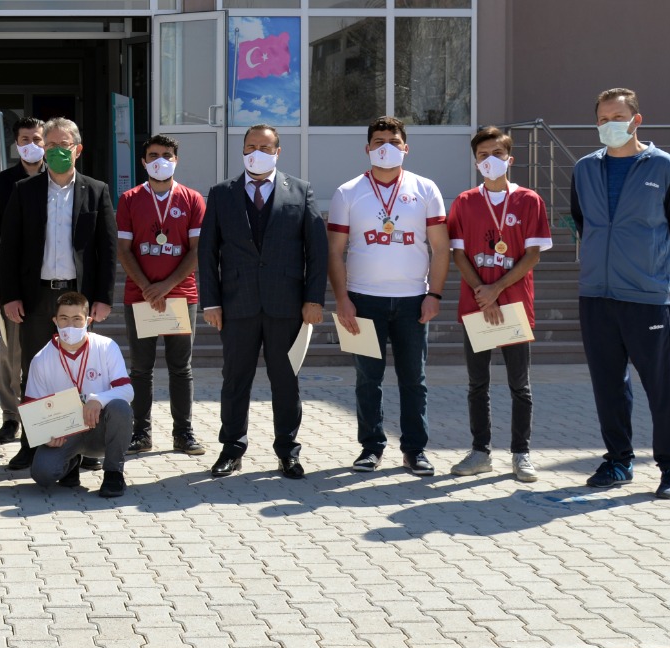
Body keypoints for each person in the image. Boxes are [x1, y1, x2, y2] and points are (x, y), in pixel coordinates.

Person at [571, 87, 670, 499]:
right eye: (603, 119)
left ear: (636, 120)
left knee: (660, 386)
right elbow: (583, 221)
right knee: (608, 385)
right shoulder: (585, 169)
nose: (610, 125)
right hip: (596, 295)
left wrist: (652, 264)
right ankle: (618, 461)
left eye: (618, 117)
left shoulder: (665, 168)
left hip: (645, 296)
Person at [199, 125, 326, 479]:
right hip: (236, 304)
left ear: (278, 152)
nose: (257, 152)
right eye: (251, 146)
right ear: (242, 150)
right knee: (234, 380)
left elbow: (316, 250)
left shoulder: (300, 191)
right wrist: (210, 302)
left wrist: (314, 299)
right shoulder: (221, 193)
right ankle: (232, 449)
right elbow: (207, 252)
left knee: (286, 382)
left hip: (286, 305)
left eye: (265, 147)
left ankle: (288, 451)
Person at [328, 116, 450, 477]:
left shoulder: (425, 188)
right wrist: (342, 299)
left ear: (405, 148)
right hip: (363, 300)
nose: (386, 148)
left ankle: (415, 450)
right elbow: (334, 251)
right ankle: (371, 447)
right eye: (379, 142)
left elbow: (440, 248)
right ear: (367, 148)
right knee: (368, 379)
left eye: (394, 142)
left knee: (414, 379)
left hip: (413, 300)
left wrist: (434, 294)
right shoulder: (347, 191)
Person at [0, 118, 117, 471]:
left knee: (82, 371)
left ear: (78, 150)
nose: (56, 152)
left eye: (63, 146)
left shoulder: (96, 190)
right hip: (36, 296)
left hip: (78, 297)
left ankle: (83, 446)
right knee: (34, 370)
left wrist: (103, 298)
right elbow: (9, 247)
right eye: (49, 146)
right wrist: (10, 295)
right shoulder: (25, 190)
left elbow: (108, 248)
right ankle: (32, 443)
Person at [448, 126, 553, 482]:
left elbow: (532, 255)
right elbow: (458, 255)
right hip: (477, 304)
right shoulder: (464, 202)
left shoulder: (529, 200)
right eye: (483, 155)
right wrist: (483, 292)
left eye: (497, 153)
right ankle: (480, 453)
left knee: (519, 385)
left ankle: (521, 454)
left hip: (513, 305)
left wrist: (496, 290)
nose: (489, 160)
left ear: (510, 159)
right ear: (475, 161)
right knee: (477, 384)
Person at [115, 135, 206, 456]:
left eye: (167, 155)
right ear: (143, 162)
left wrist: (164, 287)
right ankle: (141, 433)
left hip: (180, 296)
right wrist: (147, 287)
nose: (160, 161)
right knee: (141, 369)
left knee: (181, 368)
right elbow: (124, 250)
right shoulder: (129, 199)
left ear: (176, 160)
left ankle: (184, 433)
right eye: (153, 155)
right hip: (140, 296)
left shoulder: (193, 199)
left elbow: (197, 251)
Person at [24, 292, 132, 498]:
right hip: (65, 433)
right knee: (42, 474)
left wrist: (97, 400)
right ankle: (71, 462)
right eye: (64, 319)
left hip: (100, 427)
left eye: (77, 319)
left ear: (88, 321)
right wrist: (46, 436)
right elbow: (32, 410)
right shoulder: (41, 359)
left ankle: (113, 473)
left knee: (120, 407)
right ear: (55, 321)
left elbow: (127, 390)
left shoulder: (106, 346)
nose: (70, 326)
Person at [0, 116, 45, 446]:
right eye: (25, 139)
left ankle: (48, 416)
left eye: (37, 139)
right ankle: (10, 417)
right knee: (10, 355)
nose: (31, 145)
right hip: (12, 284)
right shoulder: (0, 183)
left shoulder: (59, 178)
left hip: (50, 283)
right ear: (15, 144)